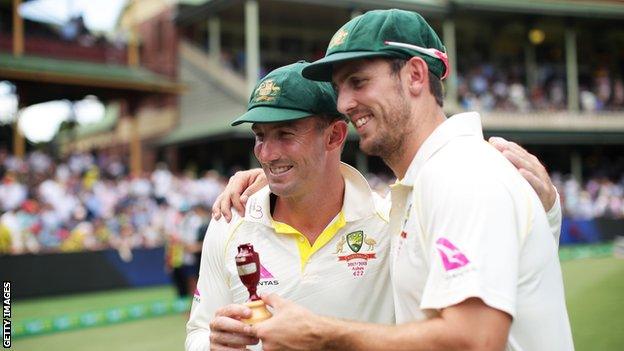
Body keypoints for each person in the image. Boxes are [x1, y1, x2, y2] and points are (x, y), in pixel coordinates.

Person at [215, 9, 573, 351]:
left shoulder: (461, 174)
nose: (344, 103)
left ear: (415, 75)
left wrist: (318, 334)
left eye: (358, 81)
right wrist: (281, 176)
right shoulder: (428, 181)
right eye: (340, 88)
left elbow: (475, 340)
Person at [185, 61, 395, 351]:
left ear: (334, 135)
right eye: (260, 136)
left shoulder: (390, 224)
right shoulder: (230, 223)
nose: (267, 154)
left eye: (285, 134)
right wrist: (212, 345)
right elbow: (198, 330)